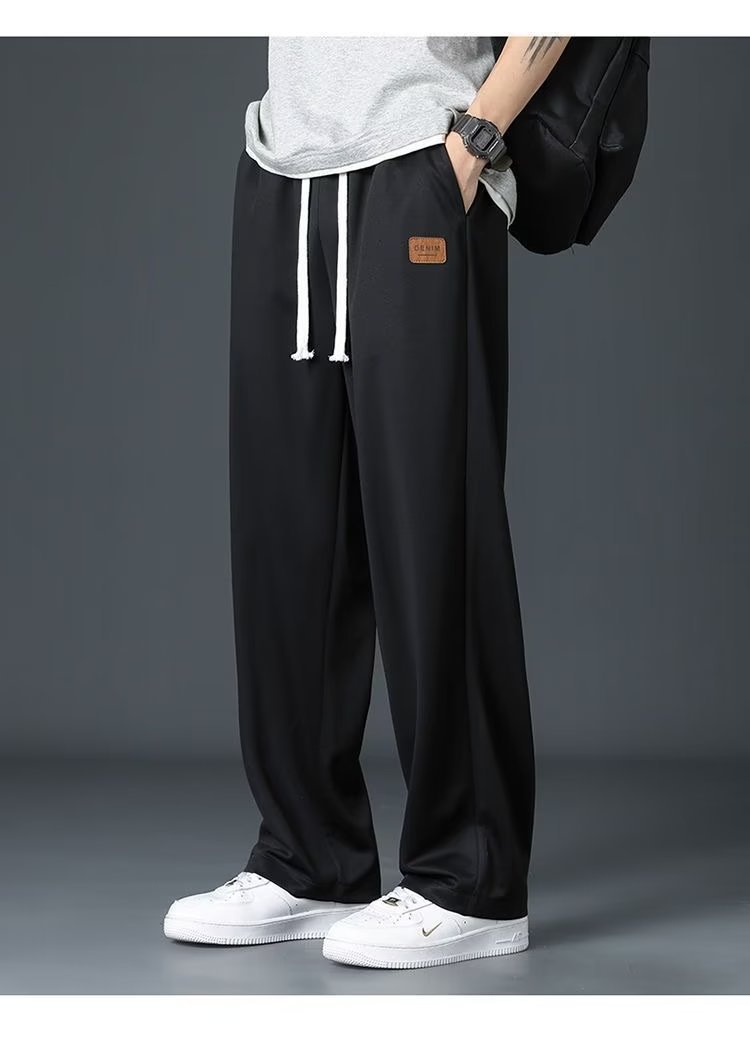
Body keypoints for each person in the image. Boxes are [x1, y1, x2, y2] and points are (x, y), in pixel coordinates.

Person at [164, 35, 570, 969]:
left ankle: (471, 875)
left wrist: (473, 142)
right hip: (284, 167)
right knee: (287, 534)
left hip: (422, 160)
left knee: (435, 525)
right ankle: (309, 855)